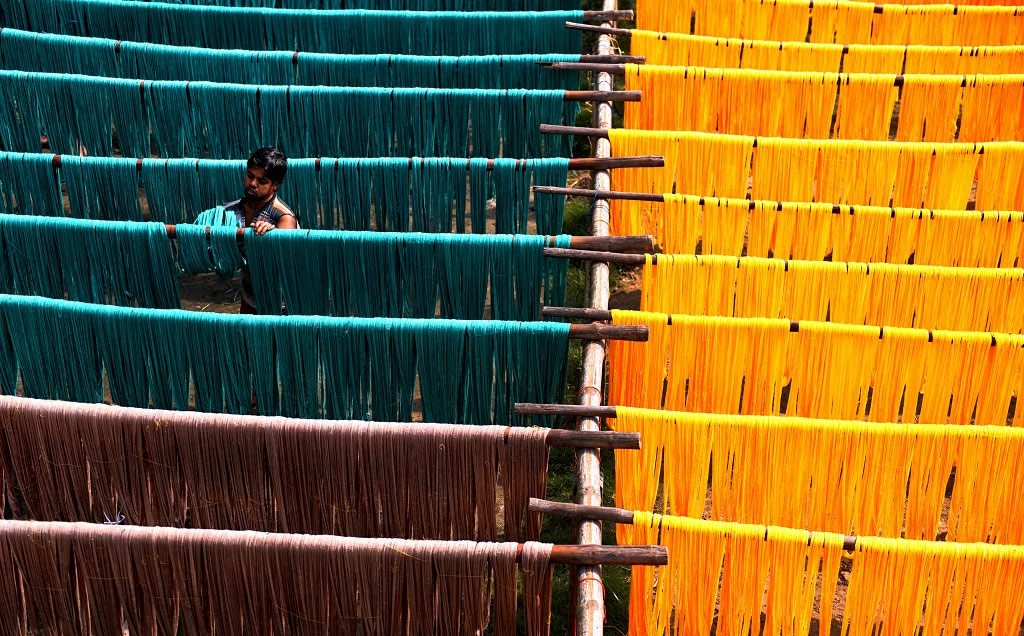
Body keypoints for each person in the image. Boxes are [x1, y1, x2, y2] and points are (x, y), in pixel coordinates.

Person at [222, 147, 297, 314]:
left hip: (281, 304)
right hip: (249, 296)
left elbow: (284, 260)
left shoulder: (283, 218)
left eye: (262, 181)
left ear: (275, 185)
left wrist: (271, 237)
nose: (253, 184)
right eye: (250, 176)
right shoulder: (229, 212)